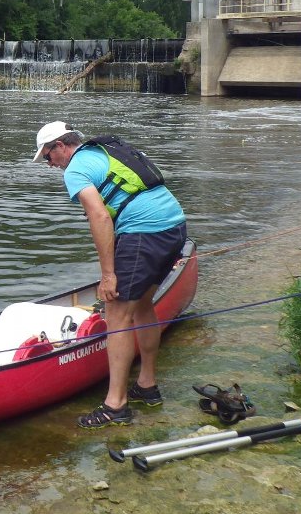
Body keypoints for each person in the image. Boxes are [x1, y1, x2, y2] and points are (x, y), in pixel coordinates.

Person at [32, 121, 187, 429]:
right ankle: (146, 386)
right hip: (174, 224)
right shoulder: (103, 151)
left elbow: (100, 216)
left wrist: (108, 275)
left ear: (60, 146)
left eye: (49, 157)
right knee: (143, 306)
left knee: (116, 316)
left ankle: (115, 405)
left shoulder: (75, 169)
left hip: (143, 232)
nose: (50, 165)